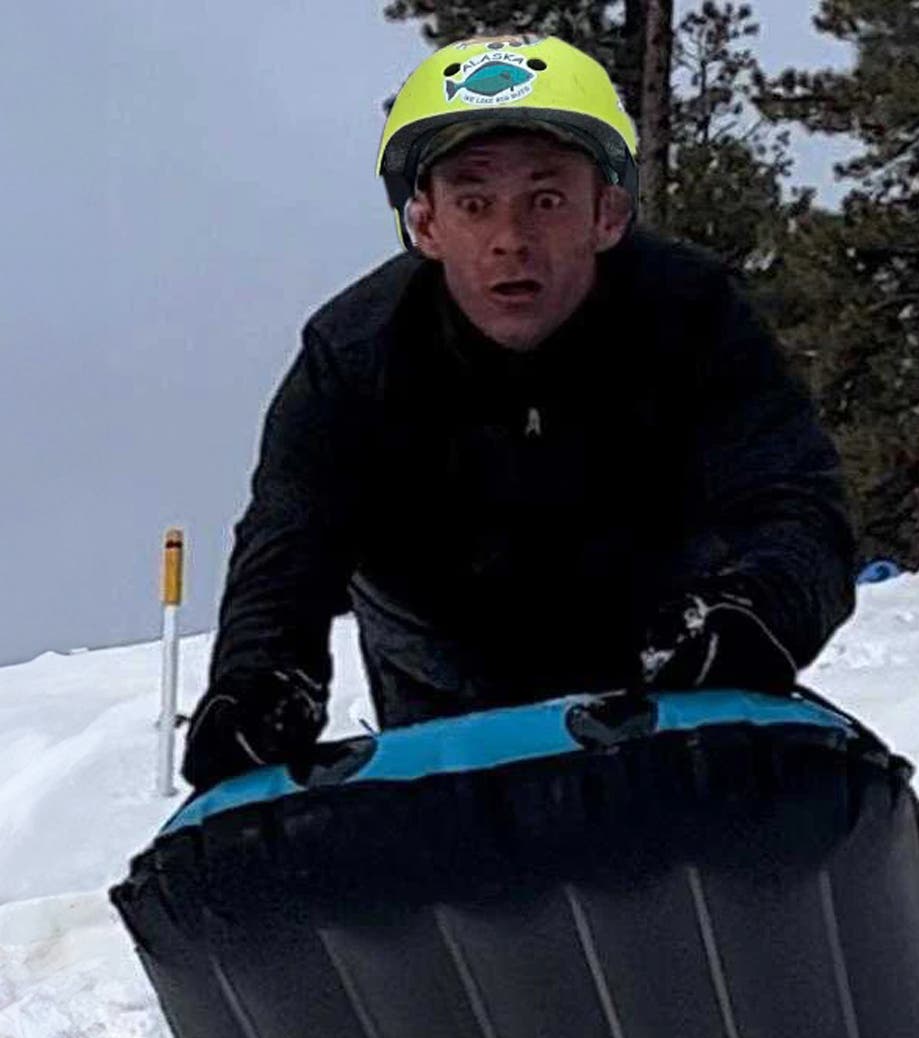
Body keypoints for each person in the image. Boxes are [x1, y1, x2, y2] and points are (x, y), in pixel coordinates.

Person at [181, 34, 859, 790]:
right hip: (444, 708)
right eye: (474, 204)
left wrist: (756, 612)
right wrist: (258, 683)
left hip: (677, 689)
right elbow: (287, 549)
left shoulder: (692, 317)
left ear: (607, 214)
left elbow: (795, 502)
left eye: (545, 200)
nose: (510, 241)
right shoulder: (353, 357)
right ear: (425, 225)